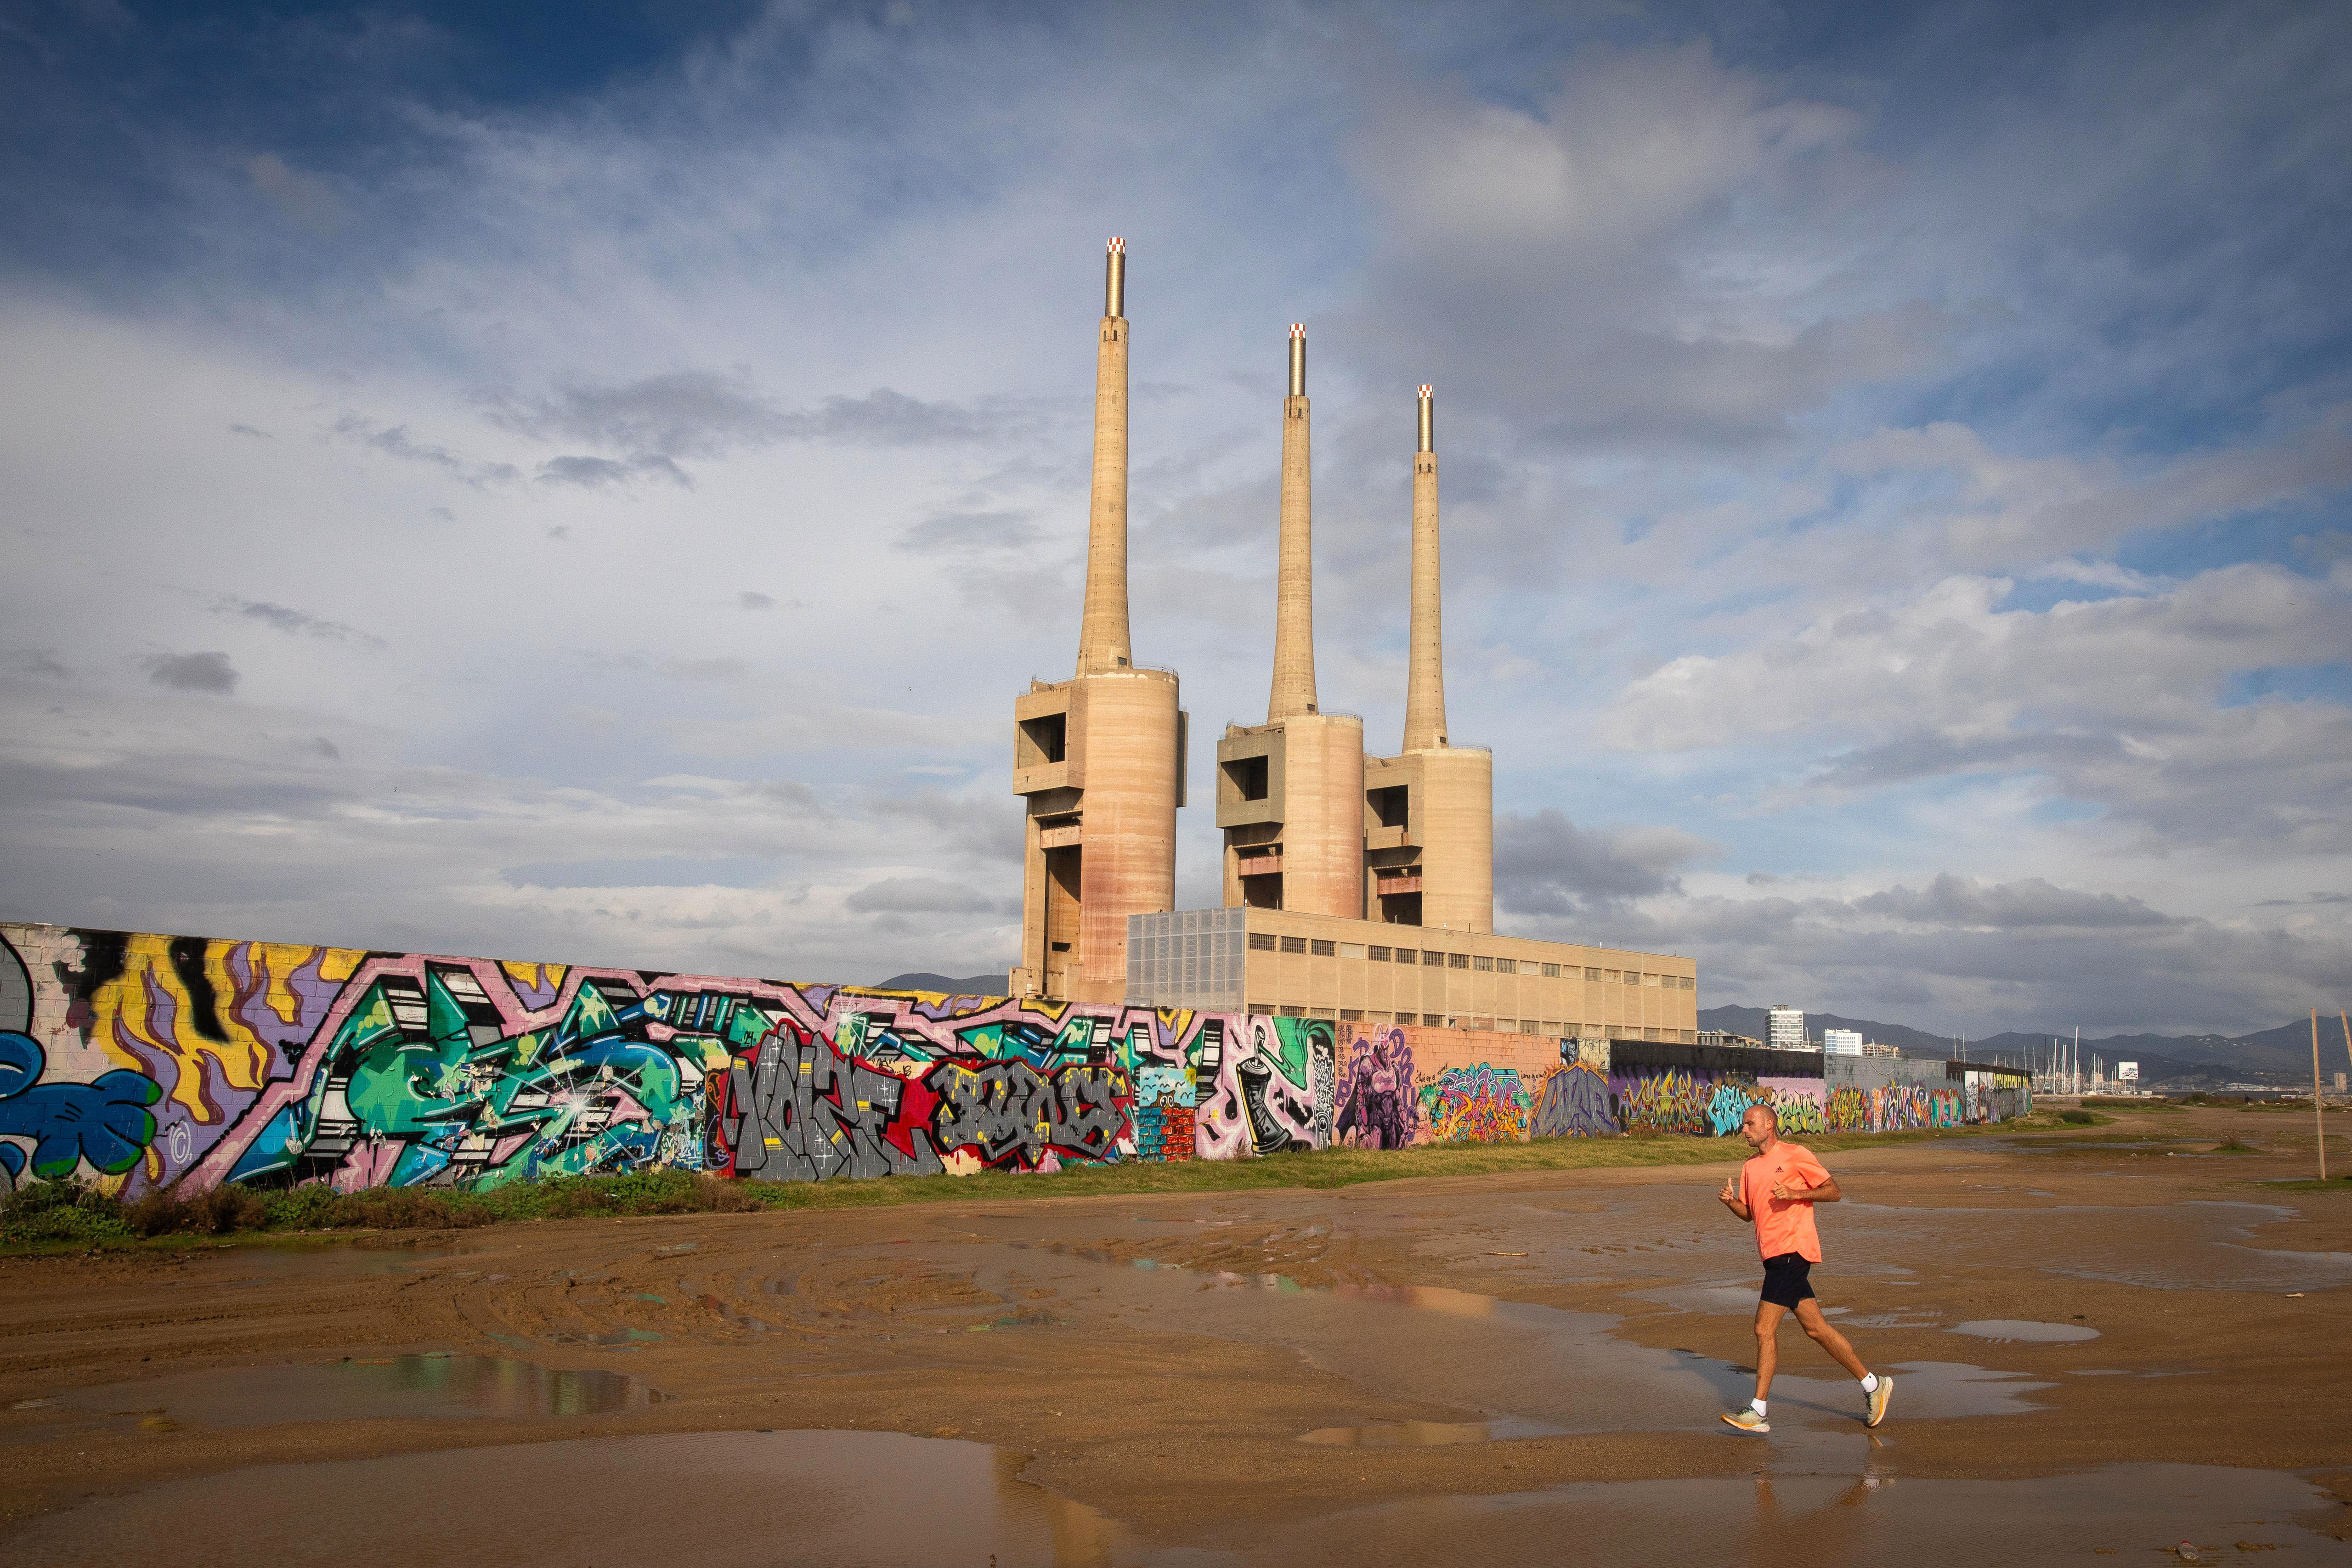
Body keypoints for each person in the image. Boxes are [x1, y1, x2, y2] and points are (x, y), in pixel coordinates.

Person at [1715, 1102, 1890, 1433]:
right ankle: (1873, 1385)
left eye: (1750, 1124)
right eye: (1743, 1125)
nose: (1743, 1130)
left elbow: (1834, 1192)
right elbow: (1749, 1214)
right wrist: (1731, 1203)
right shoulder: (1749, 1168)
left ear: (1769, 1125)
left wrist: (1796, 1194)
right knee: (1816, 1329)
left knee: (1763, 1329)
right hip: (1773, 1258)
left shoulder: (1796, 1154)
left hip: (1794, 1252)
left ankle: (1759, 1411)